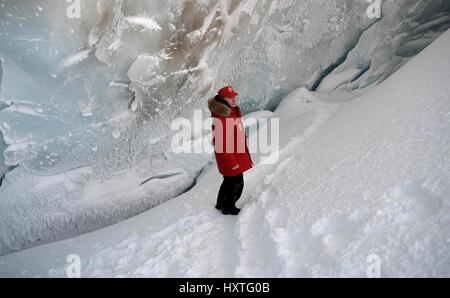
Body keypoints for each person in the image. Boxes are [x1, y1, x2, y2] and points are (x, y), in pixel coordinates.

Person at [208, 86, 253, 215]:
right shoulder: (223, 118)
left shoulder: (230, 112)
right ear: (222, 100)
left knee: (228, 180)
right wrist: (232, 163)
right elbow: (221, 146)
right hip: (231, 157)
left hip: (234, 153)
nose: (233, 100)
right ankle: (228, 207)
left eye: (234, 97)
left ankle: (221, 203)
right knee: (237, 183)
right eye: (229, 98)